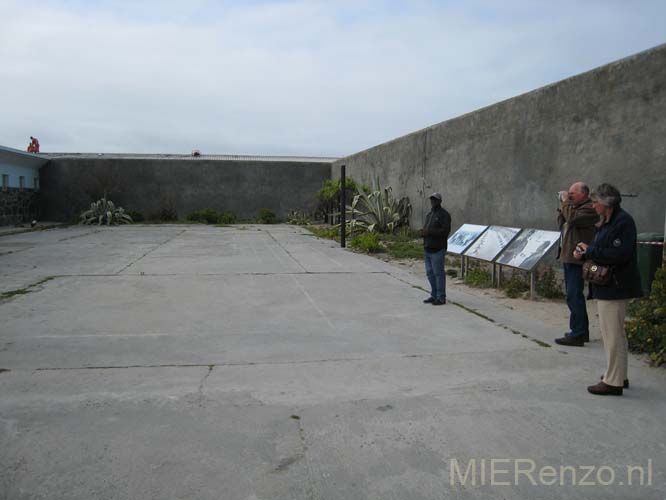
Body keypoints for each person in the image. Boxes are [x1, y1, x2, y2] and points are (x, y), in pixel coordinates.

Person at [573, 183, 642, 396]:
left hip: (615, 286)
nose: (593, 206)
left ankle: (613, 382)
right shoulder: (608, 221)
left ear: (606, 203)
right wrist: (586, 251)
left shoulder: (623, 222)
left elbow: (618, 254)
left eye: (595, 202)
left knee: (612, 335)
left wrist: (590, 250)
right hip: (608, 285)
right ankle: (619, 375)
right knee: (615, 334)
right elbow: (604, 249)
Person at [554, 182, 599, 347]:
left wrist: (565, 202)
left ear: (584, 194)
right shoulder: (572, 208)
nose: (569, 196)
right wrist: (563, 206)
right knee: (572, 295)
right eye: (569, 193)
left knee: (574, 295)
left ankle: (578, 333)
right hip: (568, 256)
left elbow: (572, 219)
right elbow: (562, 223)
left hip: (578, 259)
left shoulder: (589, 209)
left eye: (573, 193)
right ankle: (581, 331)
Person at [420, 192, 451, 306]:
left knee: (438, 273)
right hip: (428, 248)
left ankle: (441, 297)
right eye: (432, 200)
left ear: (440, 201)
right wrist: (423, 233)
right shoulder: (429, 214)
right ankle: (434, 295)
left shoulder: (444, 215)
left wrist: (430, 232)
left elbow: (445, 231)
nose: (433, 202)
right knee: (430, 273)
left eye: (435, 200)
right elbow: (427, 228)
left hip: (438, 249)